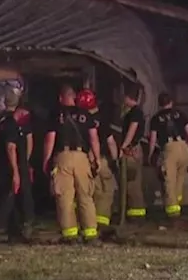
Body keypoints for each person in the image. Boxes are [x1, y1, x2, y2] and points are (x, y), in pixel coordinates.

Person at [42, 85, 101, 243]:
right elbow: (94, 138)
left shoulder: (56, 114)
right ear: (74, 98)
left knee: (65, 197)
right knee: (85, 196)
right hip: (82, 157)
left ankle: (70, 235)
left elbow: (50, 139)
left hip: (63, 157)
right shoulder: (85, 114)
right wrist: (97, 158)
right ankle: (90, 233)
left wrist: (46, 160)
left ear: (61, 98)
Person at [0, 93, 35, 244]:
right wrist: (23, 163)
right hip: (15, 164)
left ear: (4, 102)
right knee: (12, 199)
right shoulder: (18, 122)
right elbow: (24, 144)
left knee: (6, 198)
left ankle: (14, 232)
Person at [147, 92, 188, 220]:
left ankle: (173, 213)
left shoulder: (156, 118)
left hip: (169, 150)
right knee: (180, 179)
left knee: (169, 181)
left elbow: (153, 139)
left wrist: (151, 154)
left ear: (159, 104)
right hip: (184, 147)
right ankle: (178, 205)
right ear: (171, 102)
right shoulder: (181, 114)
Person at [78, 89, 120, 238]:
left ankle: (88, 222)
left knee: (89, 192)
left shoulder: (78, 119)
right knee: (107, 191)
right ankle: (102, 223)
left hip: (85, 160)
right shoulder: (102, 120)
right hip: (102, 160)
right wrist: (115, 161)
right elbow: (111, 142)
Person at [118, 89, 147, 221]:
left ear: (128, 97)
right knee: (131, 182)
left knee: (132, 182)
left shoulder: (135, 112)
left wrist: (124, 146)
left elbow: (132, 129)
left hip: (132, 150)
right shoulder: (134, 112)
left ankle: (136, 214)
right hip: (132, 148)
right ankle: (133, 213)